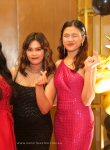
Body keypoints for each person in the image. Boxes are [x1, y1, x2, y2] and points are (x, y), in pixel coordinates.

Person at [35, 20, 100, 150]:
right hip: (61, 122)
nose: (70, 39)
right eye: (66, 35)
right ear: (62, 39)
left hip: (81, 121)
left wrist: (88, 71)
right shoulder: (59, 64)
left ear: (83, 38)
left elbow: (87, 100)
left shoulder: (88, 63)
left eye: (74, 35)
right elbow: (52, 100)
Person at [10, 32, 56, 150]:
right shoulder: (14, 72)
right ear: (25, 52)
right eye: (30, 49)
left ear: (45, 51)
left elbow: (45, 109)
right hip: (17, 129)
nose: (34, 53)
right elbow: (5, 100)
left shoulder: (51, 76)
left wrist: (39, 87)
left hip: (40, 131)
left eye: (38, 49)